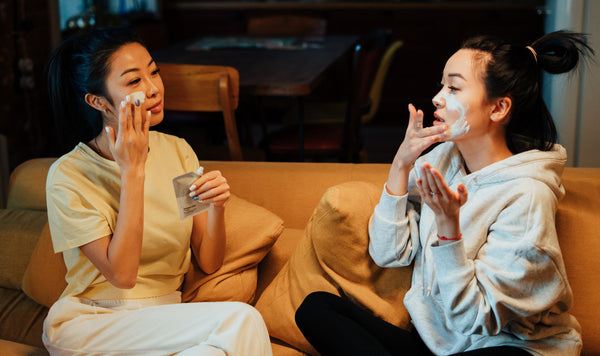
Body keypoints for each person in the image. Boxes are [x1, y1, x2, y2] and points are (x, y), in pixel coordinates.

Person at [295, 30, 593, 356]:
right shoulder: (443, 158)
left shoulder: (528, 195)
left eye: (453, 87)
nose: (438, 98)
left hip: (506, 346)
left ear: (498, 108)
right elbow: (388, 253)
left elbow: (475, 318)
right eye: (442, 84)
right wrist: (401, 165)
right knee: (316, 308)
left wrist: (450, 228)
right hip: (439, 345)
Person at [43, 27, 272, 356]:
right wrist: (131, 170)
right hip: (92, 324)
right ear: (98, 101)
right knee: (241, 320)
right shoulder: (68, 175)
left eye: (154, 72)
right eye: (134, 81)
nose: (153, 89)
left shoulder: (178, 153)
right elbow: (122, 275)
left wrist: (217, 207)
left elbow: (208, 261)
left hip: (165, 321)